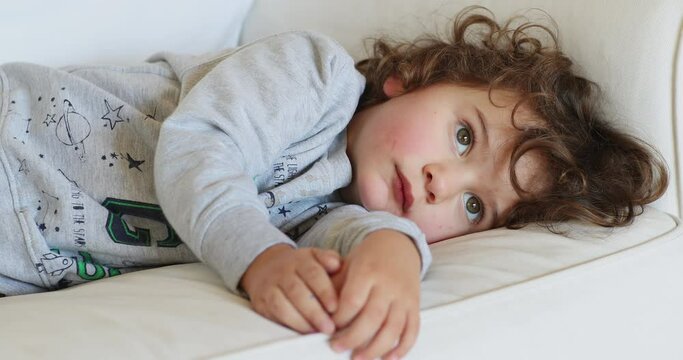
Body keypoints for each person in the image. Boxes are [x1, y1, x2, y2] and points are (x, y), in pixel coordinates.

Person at [0, 6, 667, 360]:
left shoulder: (316, 215)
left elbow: (352, 230)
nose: (441, 182)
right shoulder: (311, 79)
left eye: (473, 205)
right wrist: (258, 259)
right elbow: (201, 149)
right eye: (463, 136)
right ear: (412, 79)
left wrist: (396, 254)